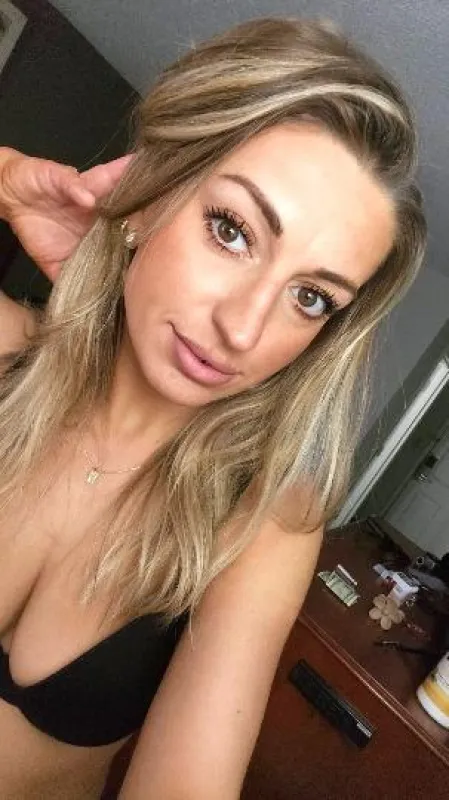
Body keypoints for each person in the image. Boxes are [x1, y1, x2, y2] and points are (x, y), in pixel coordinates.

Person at [0, 16, 425, 800]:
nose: (243, 327)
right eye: (231, 231)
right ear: (147, 198)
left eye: (309, 296)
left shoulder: (261, 527)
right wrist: (8, 175)